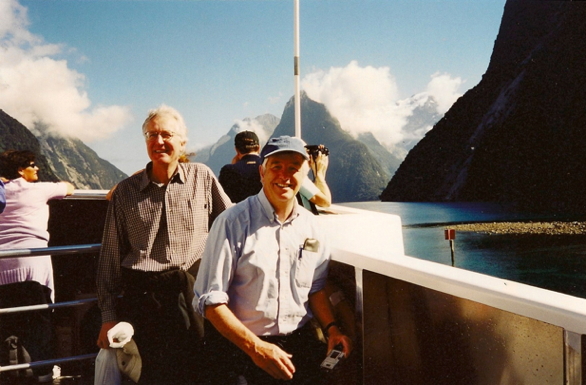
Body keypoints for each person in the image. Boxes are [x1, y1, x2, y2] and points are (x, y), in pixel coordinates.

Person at [194, 135, 352, 385]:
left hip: (297, 345)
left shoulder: (312, 227)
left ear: (305, 174)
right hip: (243, 349)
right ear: (261, 172)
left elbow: (315, 288)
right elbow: (211, 302)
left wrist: (332, 329)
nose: (284, 176)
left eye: (293, 168)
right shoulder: (232, 223)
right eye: (276, 167)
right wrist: (257, 349)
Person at [96, 105, 232, 385]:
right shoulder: (126, 191)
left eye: (166, 134)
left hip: (195, 290)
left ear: (183, 141)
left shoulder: (202, 177)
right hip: (145, 298)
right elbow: (109, 256)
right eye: (151, 135)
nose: (158, 141)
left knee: (203, 371)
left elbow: (231, 224)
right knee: (152, 375)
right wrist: (108, 316)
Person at [0, 150, 75, 383]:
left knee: (8, 323)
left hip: (2, 267)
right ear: (20, 170)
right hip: (33, 265)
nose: (38, 169)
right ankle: (41, 372)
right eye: (32, 165)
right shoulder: (38, 189)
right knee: (39, 322)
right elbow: (69, 187)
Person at [218, 130, 263, 203]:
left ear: (236, 150)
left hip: (238, 213)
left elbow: (224, 200)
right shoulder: (268, 166)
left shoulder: (228, 170)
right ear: (258, 148)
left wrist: (232, 166)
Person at [298, 144, 332, 213]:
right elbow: (326, 202)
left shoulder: (295, 177)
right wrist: (319, 173)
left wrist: (321, 171)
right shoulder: (300, 178)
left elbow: (319, 192)